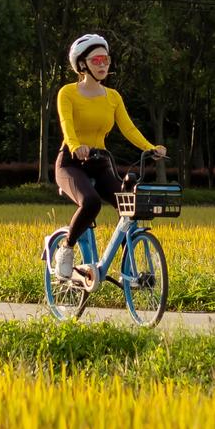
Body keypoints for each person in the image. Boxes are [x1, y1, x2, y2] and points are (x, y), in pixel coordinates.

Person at [53, 33, 166, 288]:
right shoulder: (67, 93)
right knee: (91, 202)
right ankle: (66, 248)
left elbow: (129, 129)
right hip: (71, 162)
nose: (103, 65)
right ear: (82, 65)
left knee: (129, 205)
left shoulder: (113, 97)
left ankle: (131, 273)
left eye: (106, 59)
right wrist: (75, 146)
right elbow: (66, 126)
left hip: (100, 162)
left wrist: (151, 148)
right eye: (97, 60)